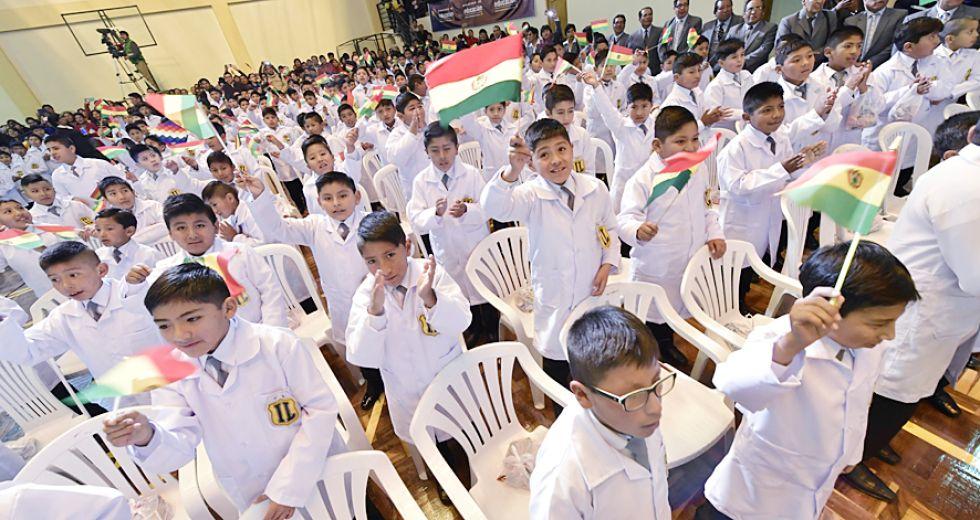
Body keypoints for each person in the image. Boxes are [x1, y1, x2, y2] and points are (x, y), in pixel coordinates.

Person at [699, 241, 920, 519]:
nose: (890, 335)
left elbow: (858, 405)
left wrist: (851, 453)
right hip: (755, 490)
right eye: (879, 324)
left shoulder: (869, 349)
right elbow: (734, 385)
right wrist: (790, 345)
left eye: (893, 322)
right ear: (830, 309)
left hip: (813, 484)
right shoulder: (780, 338)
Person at [104, 263, 343, 516]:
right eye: (164, 325)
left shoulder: (277, 345)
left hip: (316, 471)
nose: (180, 335)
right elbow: (180, 444)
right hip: (252, 486)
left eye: (192, 319)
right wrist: (147, 436)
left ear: (228, 308)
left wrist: (288, 487)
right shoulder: (173, 372)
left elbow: (320, 410)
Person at [843, 114, 980, 503]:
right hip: (927, 307)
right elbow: (975, 276)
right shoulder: (965, 187)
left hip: (942, 309)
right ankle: (854, 460)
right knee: (896, 391)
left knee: (904, 388)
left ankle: (867, 444)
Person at [480, 119, 620, 398]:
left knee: (591, 358)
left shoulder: (595, 189)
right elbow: (495, 206)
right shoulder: (530, 195)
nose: (556, 160)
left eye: (561, 149)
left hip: (590, 289)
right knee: (557, 364)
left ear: (572, 149)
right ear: (532, 163)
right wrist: (512, 170)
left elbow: (610, 227)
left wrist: (608, 263)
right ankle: (560, 408)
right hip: (555, 293)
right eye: (544, 154)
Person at [345, 211, 471, 495]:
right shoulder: (366, 295)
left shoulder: (430, 274)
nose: (385, 268)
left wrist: (430, 298)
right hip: (405, 387)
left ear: (407, 247)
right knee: (430, 442)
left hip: (446, 377)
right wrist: (375, 313)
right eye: (372, 261)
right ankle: (446, 482)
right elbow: (361, 356)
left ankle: (469, 470)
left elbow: (462, 320)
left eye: (390, 255)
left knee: (461, 432)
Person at [241, 167, 385, 410]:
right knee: (357, 343)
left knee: (383, 338)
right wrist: (260, 196)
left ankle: (390, 378)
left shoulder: (371, 223)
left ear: (357, 196)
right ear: (319, 202)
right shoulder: (315, 226)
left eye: (343, 195)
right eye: (328, 198)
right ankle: (373, 383)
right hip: (342, 302)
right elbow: (278, 229)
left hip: (376, 296)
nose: (336, 203)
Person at [529, 305, 672, 519]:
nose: (656, 408)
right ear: (583, 395)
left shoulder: (635, 419)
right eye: (633, 395)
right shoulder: (562, 479)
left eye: (656, 382)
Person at [618, 106, 726, 368]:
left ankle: (666, 343)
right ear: (658, 145)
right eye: (680, 141)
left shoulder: (697, 169)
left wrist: (714, 232)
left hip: (686, 258)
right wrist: (638, 229)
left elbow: (707, 207)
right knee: (651, 314)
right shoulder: (643, 179)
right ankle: (647, 352)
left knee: (674, 309)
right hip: (657, 264)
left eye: (695, 139)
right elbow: (624, 219)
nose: (690, 147)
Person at [0, 241, 164, 406]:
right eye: (55, 280)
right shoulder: (63, 317)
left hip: (167, 389)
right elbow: (27, 352)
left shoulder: (135, 293)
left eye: (73, 275)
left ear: (101, 270)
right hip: (122, 402)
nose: (66, 286)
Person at [125, 193, 288, 328]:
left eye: (200, 225)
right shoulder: (169, 270)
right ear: (171, 234)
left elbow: (270, 292)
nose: (192, 235)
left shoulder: (241, 253)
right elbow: (142, 307)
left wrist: (271, 332)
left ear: (215, 226)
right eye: (181, 228)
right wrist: (134, 286)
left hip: (259, 330)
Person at [715, 82, 814, 297]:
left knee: (755, 262)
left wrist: (806, 165)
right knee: (735, 272)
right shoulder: (735, 149)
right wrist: (781, 169)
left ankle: (743, 296)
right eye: (767, 110)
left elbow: (788, 173)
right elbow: (738, 185)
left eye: (780, 107)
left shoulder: (780, 137)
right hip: (743, 220)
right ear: (747, 117)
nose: (777, 115)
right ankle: (733, 304)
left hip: (768, 213)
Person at [863, 18, 952, 193]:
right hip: (884, 134)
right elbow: (874, 104)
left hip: (916, 133)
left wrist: (927, 89)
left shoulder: (937, 62)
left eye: (936, 35)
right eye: (931, 37)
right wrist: (909, 91)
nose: (937, 41)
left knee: (903, 174)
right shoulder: (885, 71)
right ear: (909, 47)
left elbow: (947, 87)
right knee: (876, 183)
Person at [582, 72, 656, 213]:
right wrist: (596, 86)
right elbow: (607, 110)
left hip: (649, 184)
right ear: (627, 107)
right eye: (634, 107)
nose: (639, 112)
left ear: (651, 105)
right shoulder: (621, 126)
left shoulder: (656, 125)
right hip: (624, 186)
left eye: (644, 106)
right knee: (620, 219)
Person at [811, 27, 881, 151]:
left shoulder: (864, 74)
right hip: (820, 144)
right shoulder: (814, 79)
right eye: (848, 46)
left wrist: (863, 88)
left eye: (859, 46)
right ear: (828, 52)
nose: (855, 51)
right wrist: (849, 88)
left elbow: (876, 109)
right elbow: (818, 115)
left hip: (850, 143)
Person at [46, 134, 123, 206]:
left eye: (56, 148)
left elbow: (123, 180)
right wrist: (72, 199)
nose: (52, 153)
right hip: (88, 211)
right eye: (49, 150)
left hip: (116, 205)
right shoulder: (57, 175)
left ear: (72, 149)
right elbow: (62, 197)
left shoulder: (99, 164)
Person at [663, 52, 731, 130]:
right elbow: (678, 132)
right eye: (691, 72)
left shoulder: (696, 91)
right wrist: (703, 123)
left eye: (699, 70)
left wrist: (713, 116)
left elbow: (704, 115)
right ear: (676, 77)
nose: (698, 76)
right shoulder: (672, 104)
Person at [93, 208, 164, 280]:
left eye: (109, 229)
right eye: (98, 230)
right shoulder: (98, 255)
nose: (102, 234)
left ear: (129, 231)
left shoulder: (150, 255)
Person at [98, 175, 168, 245]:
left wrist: (129, 239)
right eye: (113, 194)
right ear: (106, 200)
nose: (122, 197)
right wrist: (154, 229)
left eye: (125, 191)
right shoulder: (109, 220)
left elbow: (167, 226)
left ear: (133, 192)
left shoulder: (153, 206)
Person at [704, 38, 755, 131]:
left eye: (742, 55)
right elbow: (716, 114)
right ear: (721, 63)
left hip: (746, 127)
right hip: (723, 132)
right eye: (734, 57)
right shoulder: (715, 86)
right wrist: (744, 114)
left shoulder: (747, 76)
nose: (740, 60)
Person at [386, 92, 429, 198]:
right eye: (412, 108)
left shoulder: (430, 127)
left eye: (420, 106)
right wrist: (413, 131)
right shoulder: (397, 134)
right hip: (416, 190)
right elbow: (395, 159)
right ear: (401, 116)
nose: (418, 111)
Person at [844, 0, 909, 68]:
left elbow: (896, 44)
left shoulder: (900, 15)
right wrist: (854, 63)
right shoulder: (850, 21)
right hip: (852, 67)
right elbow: (847, 45)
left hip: (884, 67)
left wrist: (871, 62)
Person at [776, 0, 841, 65]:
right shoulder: (788, 22)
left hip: (822, 63)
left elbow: (833, 42)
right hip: (798, 64)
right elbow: (781, 48)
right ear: (803, 1)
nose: (820, 1)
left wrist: (817, 53)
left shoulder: (830, 17)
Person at [20, 173, 95, 229]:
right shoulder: (32, 217)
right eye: (35, 191)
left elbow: (92, 221)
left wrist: (90, 227)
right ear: (26, 195)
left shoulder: (75, 205)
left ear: (54, 189)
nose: (43, 194)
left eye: (47, 189)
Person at [201, 181, 264, 245]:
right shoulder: (230, 218)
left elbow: (263, 244)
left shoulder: (251, 213)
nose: (214, 211)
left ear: (230, 198)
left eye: (214, 205)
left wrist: (234, 237)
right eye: (210, 207)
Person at [730, 0, 779, 72]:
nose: (753, 12)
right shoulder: (734, 30)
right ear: (744, 13)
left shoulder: (770, 28)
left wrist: (741, 62)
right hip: (732, 69)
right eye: (750, 8)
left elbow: (764, 50)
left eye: (758, 8)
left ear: (763, 13)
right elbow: (726, 49)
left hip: (755, 71)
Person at [704, 0, 744, 69]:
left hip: (728, 66)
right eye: (721, 8)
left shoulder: (740, 22)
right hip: (707, 67)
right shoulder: (707, 26)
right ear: (715, 12)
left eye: (728, 6)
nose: (725, 10)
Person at [629, 6, 664, 72]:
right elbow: (631, 55)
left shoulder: (660, 31)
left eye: (650, 14)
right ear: (640, 19)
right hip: (640, 70)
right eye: (645, 15)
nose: (648, 17)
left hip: (656, 70)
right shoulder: (633, 36)